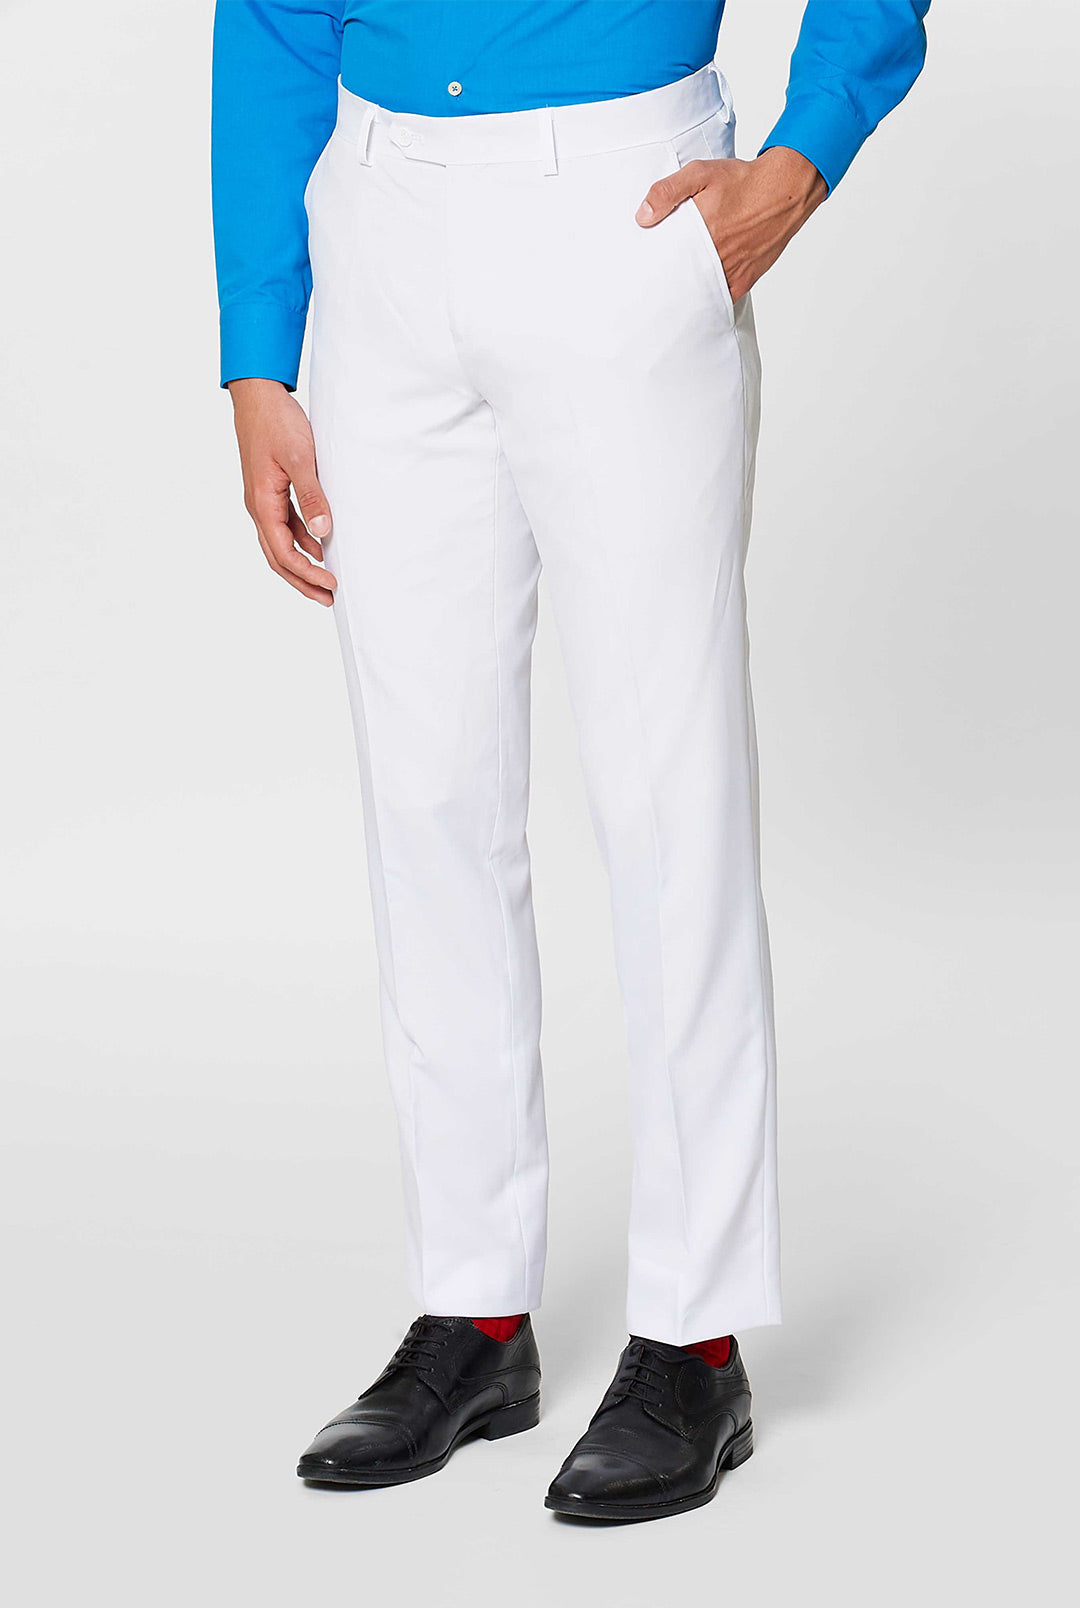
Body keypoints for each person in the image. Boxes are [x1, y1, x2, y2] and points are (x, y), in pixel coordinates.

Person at [211, 0, 929, 1521]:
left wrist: (802, 159)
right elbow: (267, 12)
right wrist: (259, 346)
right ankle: (473, 1309)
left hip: (623, 202)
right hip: (380, 225)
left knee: (668, 789)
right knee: (427, 796)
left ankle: (696, 1333)